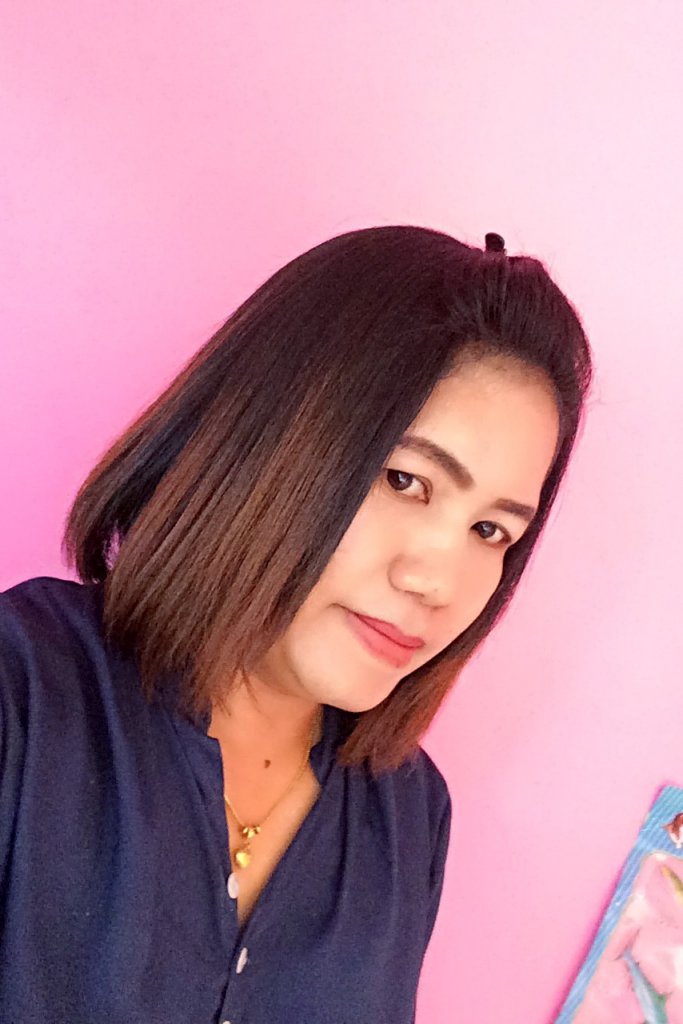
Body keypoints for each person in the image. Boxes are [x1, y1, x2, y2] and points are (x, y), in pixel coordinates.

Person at [0, 225, 592, 1023]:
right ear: (271, 442)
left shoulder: (407, 822)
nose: (436, 582)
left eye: (490, 531)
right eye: (405, 480)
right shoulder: (27, 693)